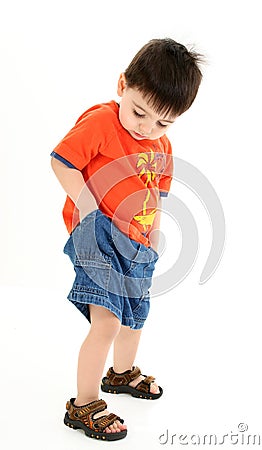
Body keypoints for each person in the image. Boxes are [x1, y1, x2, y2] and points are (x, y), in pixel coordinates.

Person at [51, 38, 203, 441]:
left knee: (134, 316)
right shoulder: (102, 122)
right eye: (139, 112)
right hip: (97, 234)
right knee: (108, 320)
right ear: (122, 84)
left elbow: (156, 195)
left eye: (162, 122)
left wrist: (153, 236)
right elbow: (61, 161)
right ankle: (83, 404)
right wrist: (85, 204)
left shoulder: (161, 145)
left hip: (136, 243)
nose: (147, 127)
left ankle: (120, 375)